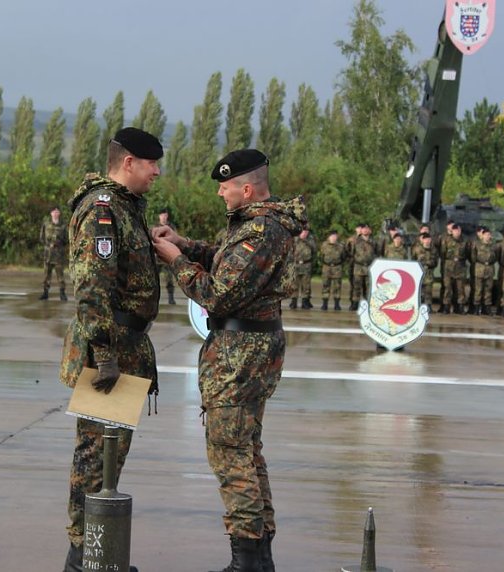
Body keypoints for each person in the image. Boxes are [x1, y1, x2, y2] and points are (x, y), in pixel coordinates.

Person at [152, 148, 306, 572]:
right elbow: (224, 259)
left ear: (247, 188)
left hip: (241, 358)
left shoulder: (261, 231)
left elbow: (218, 292)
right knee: (246, 452)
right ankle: (258, 558)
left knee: (230, 454)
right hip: (248, 353)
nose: (220, 194)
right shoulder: (255, 226)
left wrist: (176, 261)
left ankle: (247, 561)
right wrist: (184, 244)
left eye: (224, 186)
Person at [58, 127, 163, 572]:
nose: (157, 172)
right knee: (95, 458)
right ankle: (84, 556)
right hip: (110, 352)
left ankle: (97, 555)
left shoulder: (125, 209)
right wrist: (104, 354)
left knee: (110, 454)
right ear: (128, 163)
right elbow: (91, 284)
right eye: (152, 164)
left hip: (125, 348)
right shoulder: (103, 210)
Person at [39, 206, 68, 301]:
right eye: (53, 212)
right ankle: (45, 293)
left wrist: (58, 244)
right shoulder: (46, 224)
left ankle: (62, 293)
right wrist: (48, 245)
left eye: (57, 212)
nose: (55, 214)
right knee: (46, 274)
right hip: (48, 254)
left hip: (58, 254)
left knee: (60, 275)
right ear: (51, 213)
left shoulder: (63, 226)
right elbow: (42, 237)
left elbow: (66, 239)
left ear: (59, 213)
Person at [470, 226, 498, 315]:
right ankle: (476, 308)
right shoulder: (476, 244)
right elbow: (473, 257)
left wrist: (489, 262)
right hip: (479, 269)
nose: (487, 236)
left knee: (488, 290)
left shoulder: (493, 246)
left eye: (489, 235)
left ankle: (487, 308)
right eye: (486, 235)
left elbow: (496, 257)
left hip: (489, 269)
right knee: (478, 290)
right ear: (482, 235)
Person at [319, 230, 348, 310]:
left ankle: (337, 304)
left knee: (337, 286)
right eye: (332, 236)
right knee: (325, 285)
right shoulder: (324, 245)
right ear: (329, 237)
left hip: (337, 268)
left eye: (335, 236)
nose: (333, 238)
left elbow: (343, 257)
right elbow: (321, 256)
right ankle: (325, 304)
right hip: (326, 267)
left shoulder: (340, 246)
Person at [155, 208, 177, 304]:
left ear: (167, 216)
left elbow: (175, 239)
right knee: (153, 280)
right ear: (159, 216)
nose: (163, 217)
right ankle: (154, 299)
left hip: (167, 257)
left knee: (169, 279)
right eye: (162, 215)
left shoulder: (171, 227)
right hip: (156, 257)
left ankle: (171, 298)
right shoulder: (155, 227)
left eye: (165, 215)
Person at [290, 226, 315, 309]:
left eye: (306, 232)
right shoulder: (295, 239)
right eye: (303, 231)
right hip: (296, 264)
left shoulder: (310, 240)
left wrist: (306, 241)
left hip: (306, 265)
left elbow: (314, 250)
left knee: (306, 285)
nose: (305, 233)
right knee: (294, 284)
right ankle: (294, 301)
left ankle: (305, 301)